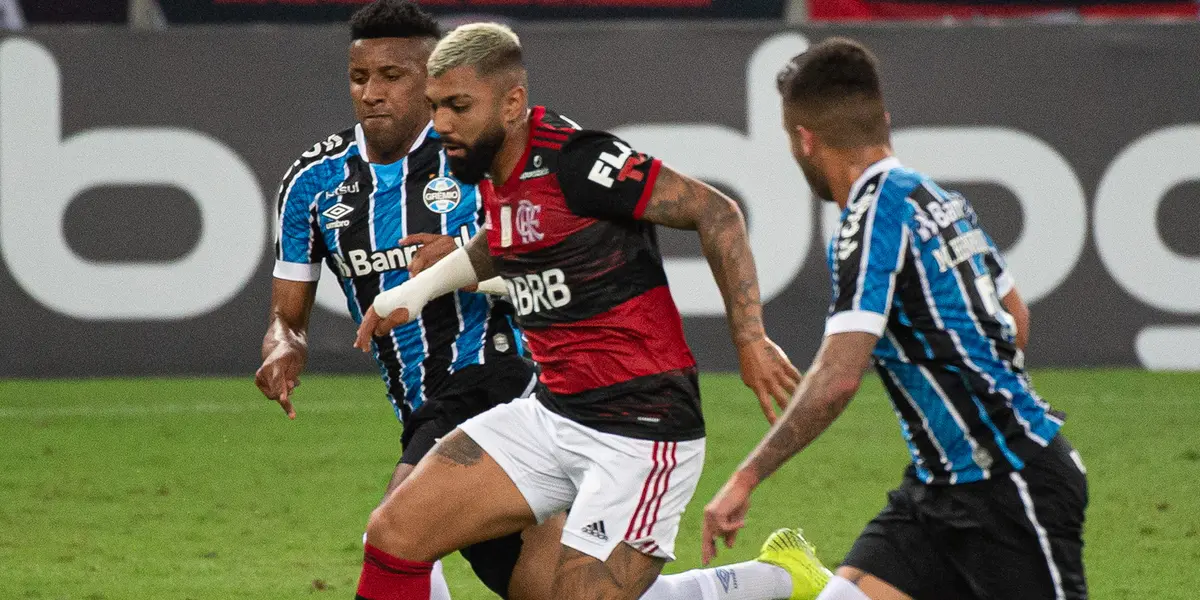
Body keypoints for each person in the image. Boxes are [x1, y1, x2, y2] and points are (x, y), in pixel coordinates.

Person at [351, 22, 832, 600]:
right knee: (394, 532)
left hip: (642, 430)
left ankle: (773, 582)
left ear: (512, 103)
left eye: (458, 105)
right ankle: (773, 580)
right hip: (552, 415)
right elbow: (501, 238)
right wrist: (416, 291)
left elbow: (717, 212)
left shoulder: (580, 160)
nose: (441, 124)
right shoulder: (488, 163)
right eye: (434, 107)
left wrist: (750, 339)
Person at [702, 37, 1088, 600]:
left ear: (804, 141)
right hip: (940, 490)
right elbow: (1014, 315)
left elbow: (837, 379)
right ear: (882, 120)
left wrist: (745, 476)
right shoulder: (936, 199)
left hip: (1010, 486)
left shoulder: (867, 223)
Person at [253, 3, 547, 599]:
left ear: (431, 79)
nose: (371, 93)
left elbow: (558, 271)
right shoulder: (312, 182)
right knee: (556, 590)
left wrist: (465, 268)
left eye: (393, 76)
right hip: (421, 406)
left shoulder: (481, 159)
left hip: (502, 378)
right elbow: (288, 316)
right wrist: (283, 347)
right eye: (360, 77)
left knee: (394, 531)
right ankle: (773, 579)